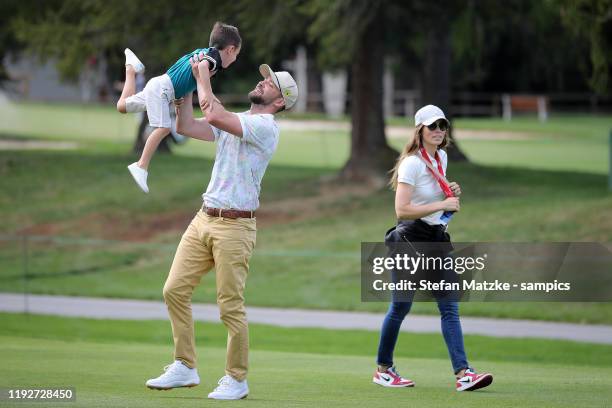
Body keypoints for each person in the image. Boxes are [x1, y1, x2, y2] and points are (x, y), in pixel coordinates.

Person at [143, 56, 298, 400]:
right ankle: (185, 366)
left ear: (279, 101)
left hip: (236, 227)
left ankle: (236, 378)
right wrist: (181, 87)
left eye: (269, 82)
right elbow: (187, 126)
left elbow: (213, 114)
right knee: (174, 290)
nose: (262, 82)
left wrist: (202, 76)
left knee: (230, 306)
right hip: (204, 218)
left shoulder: (266, 127)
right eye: (264, 79)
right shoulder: (239, 119)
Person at [372, 105, 493, 392]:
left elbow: (431, 195)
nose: (439, 131)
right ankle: (384, 369)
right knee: (400, 307)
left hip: (436, 240)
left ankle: (464, 373)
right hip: (411, 242)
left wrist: (448, 191)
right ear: (420, 130)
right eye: (433, 126)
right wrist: (441, 203)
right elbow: (402, 210)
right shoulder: (412, 163)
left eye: (442, 126)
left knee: (450, 307)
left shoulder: (442, 157)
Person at [116, 22, 241, 193]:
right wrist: (208, 93)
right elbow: (202, 68)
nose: (234, 60)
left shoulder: (201, 52)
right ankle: (141, 166)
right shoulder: (213, 59)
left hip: (161, 86)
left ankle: (130, 68)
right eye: (236, 55)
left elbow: (183, 75)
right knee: (163, 128)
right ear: (230, 49)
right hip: (162, 90)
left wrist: (179, 95)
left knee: (122, 106)